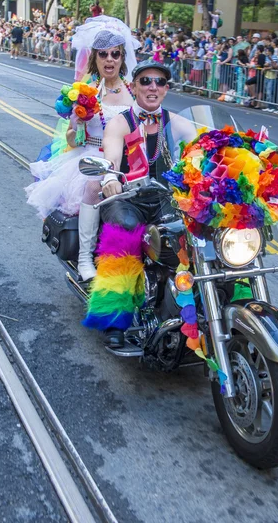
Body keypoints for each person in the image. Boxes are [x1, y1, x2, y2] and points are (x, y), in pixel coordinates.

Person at [26, 22, 139, 281]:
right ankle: (85, 258)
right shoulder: (87, 93)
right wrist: (75, 125)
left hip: (125, 161)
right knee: (92, 187)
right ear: (95, 58)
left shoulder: (133, 92)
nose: (109, 59)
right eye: (103, 54)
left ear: (122, 58)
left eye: (115, 54)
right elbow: (73, 141)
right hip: (90, 160)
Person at [82, 62, 177, 348]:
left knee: (193, 230)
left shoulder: (175, 122)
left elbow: (204, 146)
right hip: (127, 198)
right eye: (145, 81)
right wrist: (111, 175)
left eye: (159, 82)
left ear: (166, 89)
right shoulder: (121, 122)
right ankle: (114, 318)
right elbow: (111, 152)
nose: (152, 87)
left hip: (163, 198)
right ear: (133, 87)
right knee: (125, 228)